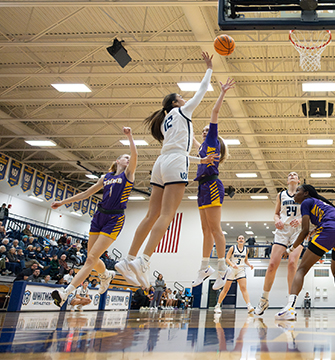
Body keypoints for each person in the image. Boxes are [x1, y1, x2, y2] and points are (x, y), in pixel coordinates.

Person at [114, 52, 216, 289]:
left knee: (151, 215)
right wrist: (209, 68)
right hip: (174, 163)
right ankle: (144, 260)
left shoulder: (166, 120)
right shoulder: (183, 112)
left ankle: (128, 259)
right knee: (167, 215)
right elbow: (202, 90)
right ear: (175, 103)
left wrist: (200, 158)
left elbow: (183, 146)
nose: (184, 98)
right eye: (180, 97)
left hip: (160, 163)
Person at [50, 127, 139, 308]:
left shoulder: (128, 174)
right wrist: (63, 202)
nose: (128, 158)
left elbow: (135, 155)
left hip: (115, 219)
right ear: (117, 160)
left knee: (90, 259)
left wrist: (129, 136)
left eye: (128, 158)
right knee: (93, 258)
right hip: (99, 216)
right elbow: (86, 193)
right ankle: (106, 275)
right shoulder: (105, 177)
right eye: (125, 157)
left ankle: (66, 293)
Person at [276, 184, 335, 321]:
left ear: (306, 193)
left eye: (298, 191)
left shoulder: (306, 202)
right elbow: (329, 220)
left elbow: (304, 231)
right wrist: (316, 230)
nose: (295, 194)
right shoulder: (323, 204)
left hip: (329, 231)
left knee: (301, 269)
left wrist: (290, 249)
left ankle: (290, 308)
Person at [191, 78, 233, 291]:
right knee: (205, 230)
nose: (206, 131)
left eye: (209, 129)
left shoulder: (213, 140)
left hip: (213, 185)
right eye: (204, 130)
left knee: (216, 229)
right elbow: (191, 139)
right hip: (201, 188)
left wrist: (222, 92)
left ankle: (222, 267)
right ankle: (204, 267)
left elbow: (214, 113)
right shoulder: (202, 149)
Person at [255, 172, 304, 316]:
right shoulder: (281, 195)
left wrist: (300, 221)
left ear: (299, 180)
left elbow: (309, 213)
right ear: (287, 180)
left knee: (292, 263)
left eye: (295, 174)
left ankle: (290, 304)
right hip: (282, 231)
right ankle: (264, 300)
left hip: (297, 231)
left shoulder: (303, 194)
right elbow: (276, 213)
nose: (292, 175)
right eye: (289, 174)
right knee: (271, 265)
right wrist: (276, 220)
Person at [213, 235, 255, 314]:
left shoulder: (246, 249)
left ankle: (249, 306)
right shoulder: (233, 248)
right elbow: (227, 258)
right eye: (239, 238)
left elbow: (245, 260)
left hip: (241, 270)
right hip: (232, 269)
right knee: (226, 289)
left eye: (242, 238)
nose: (241, 239)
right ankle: (218, 305)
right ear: (237, 240)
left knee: (243, 288)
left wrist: (250, 265)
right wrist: (232, 265)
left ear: (244, 241)